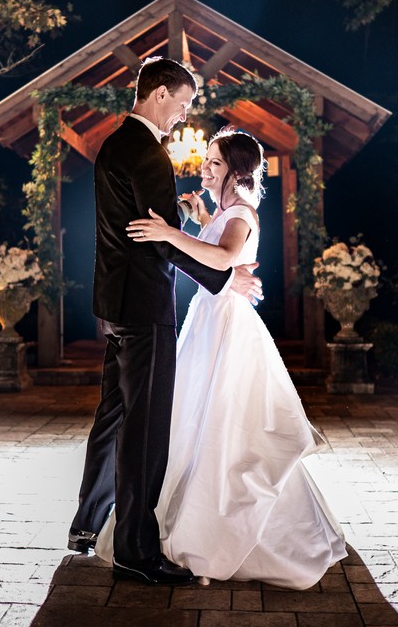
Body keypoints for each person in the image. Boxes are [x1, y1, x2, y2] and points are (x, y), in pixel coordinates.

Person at [93, 126, 347, 589]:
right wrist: (198, 214)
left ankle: (231, 533)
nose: (203, 167)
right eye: (206, 160)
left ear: (235, 171)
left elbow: (225, 256)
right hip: (208, 319)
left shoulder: (243, 213)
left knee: (226, 426)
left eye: (213, 162)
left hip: (227, 328)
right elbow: (219, 255)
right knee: (193, 420)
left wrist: (171, 233)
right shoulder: (227, 210)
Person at [67, 57, 263, 586]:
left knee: (112, 416)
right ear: (157, 93)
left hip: (113, 303)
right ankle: (135, 548)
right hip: (146, 306)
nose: (184, 115)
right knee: (146, 430)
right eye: (183, 103)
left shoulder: (113, 144)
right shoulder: (149, 155)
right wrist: (227, 279)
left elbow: (150, 233)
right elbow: (162, 237)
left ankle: (86, 524)